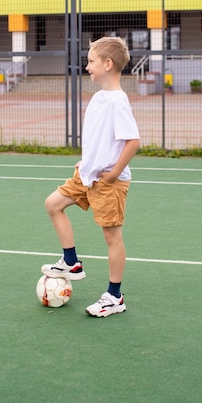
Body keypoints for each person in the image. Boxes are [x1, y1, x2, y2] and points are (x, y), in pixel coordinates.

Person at [41, 36, 140, 317]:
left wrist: (113, 174)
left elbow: (132, 141)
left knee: (112, 238)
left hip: (108, 182)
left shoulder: (118, 101)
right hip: (86, 174)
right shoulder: (99, 97)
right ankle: (71, 262)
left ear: (108, 64)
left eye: (91, 61)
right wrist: (87, 162)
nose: (87, 67)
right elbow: (100, 138)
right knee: (53, 204)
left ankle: (114, 296)